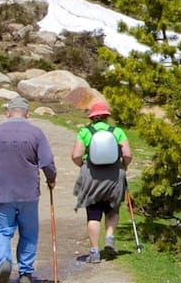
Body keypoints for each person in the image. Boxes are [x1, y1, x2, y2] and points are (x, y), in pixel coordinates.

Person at [0, 98, 56, 283]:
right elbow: (47, 161)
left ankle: (5, 262)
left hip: (3, 191)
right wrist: (51, 179)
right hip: (28, 192)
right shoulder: (36, 133)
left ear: (8, 112)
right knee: (29, 232)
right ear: (27, 114)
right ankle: (25, 272)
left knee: (2, 231)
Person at [71, 101, 130, 264]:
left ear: (91, 117)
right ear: (106, 117)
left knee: (93, 213)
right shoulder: (117, 131)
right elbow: (127, 155)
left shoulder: (85, 132)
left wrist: (83, 166)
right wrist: (123, 167)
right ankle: (109, 238)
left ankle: (95, 251)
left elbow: (76, 155)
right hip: (114, 175)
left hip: (92, 176)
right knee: (112, 208)